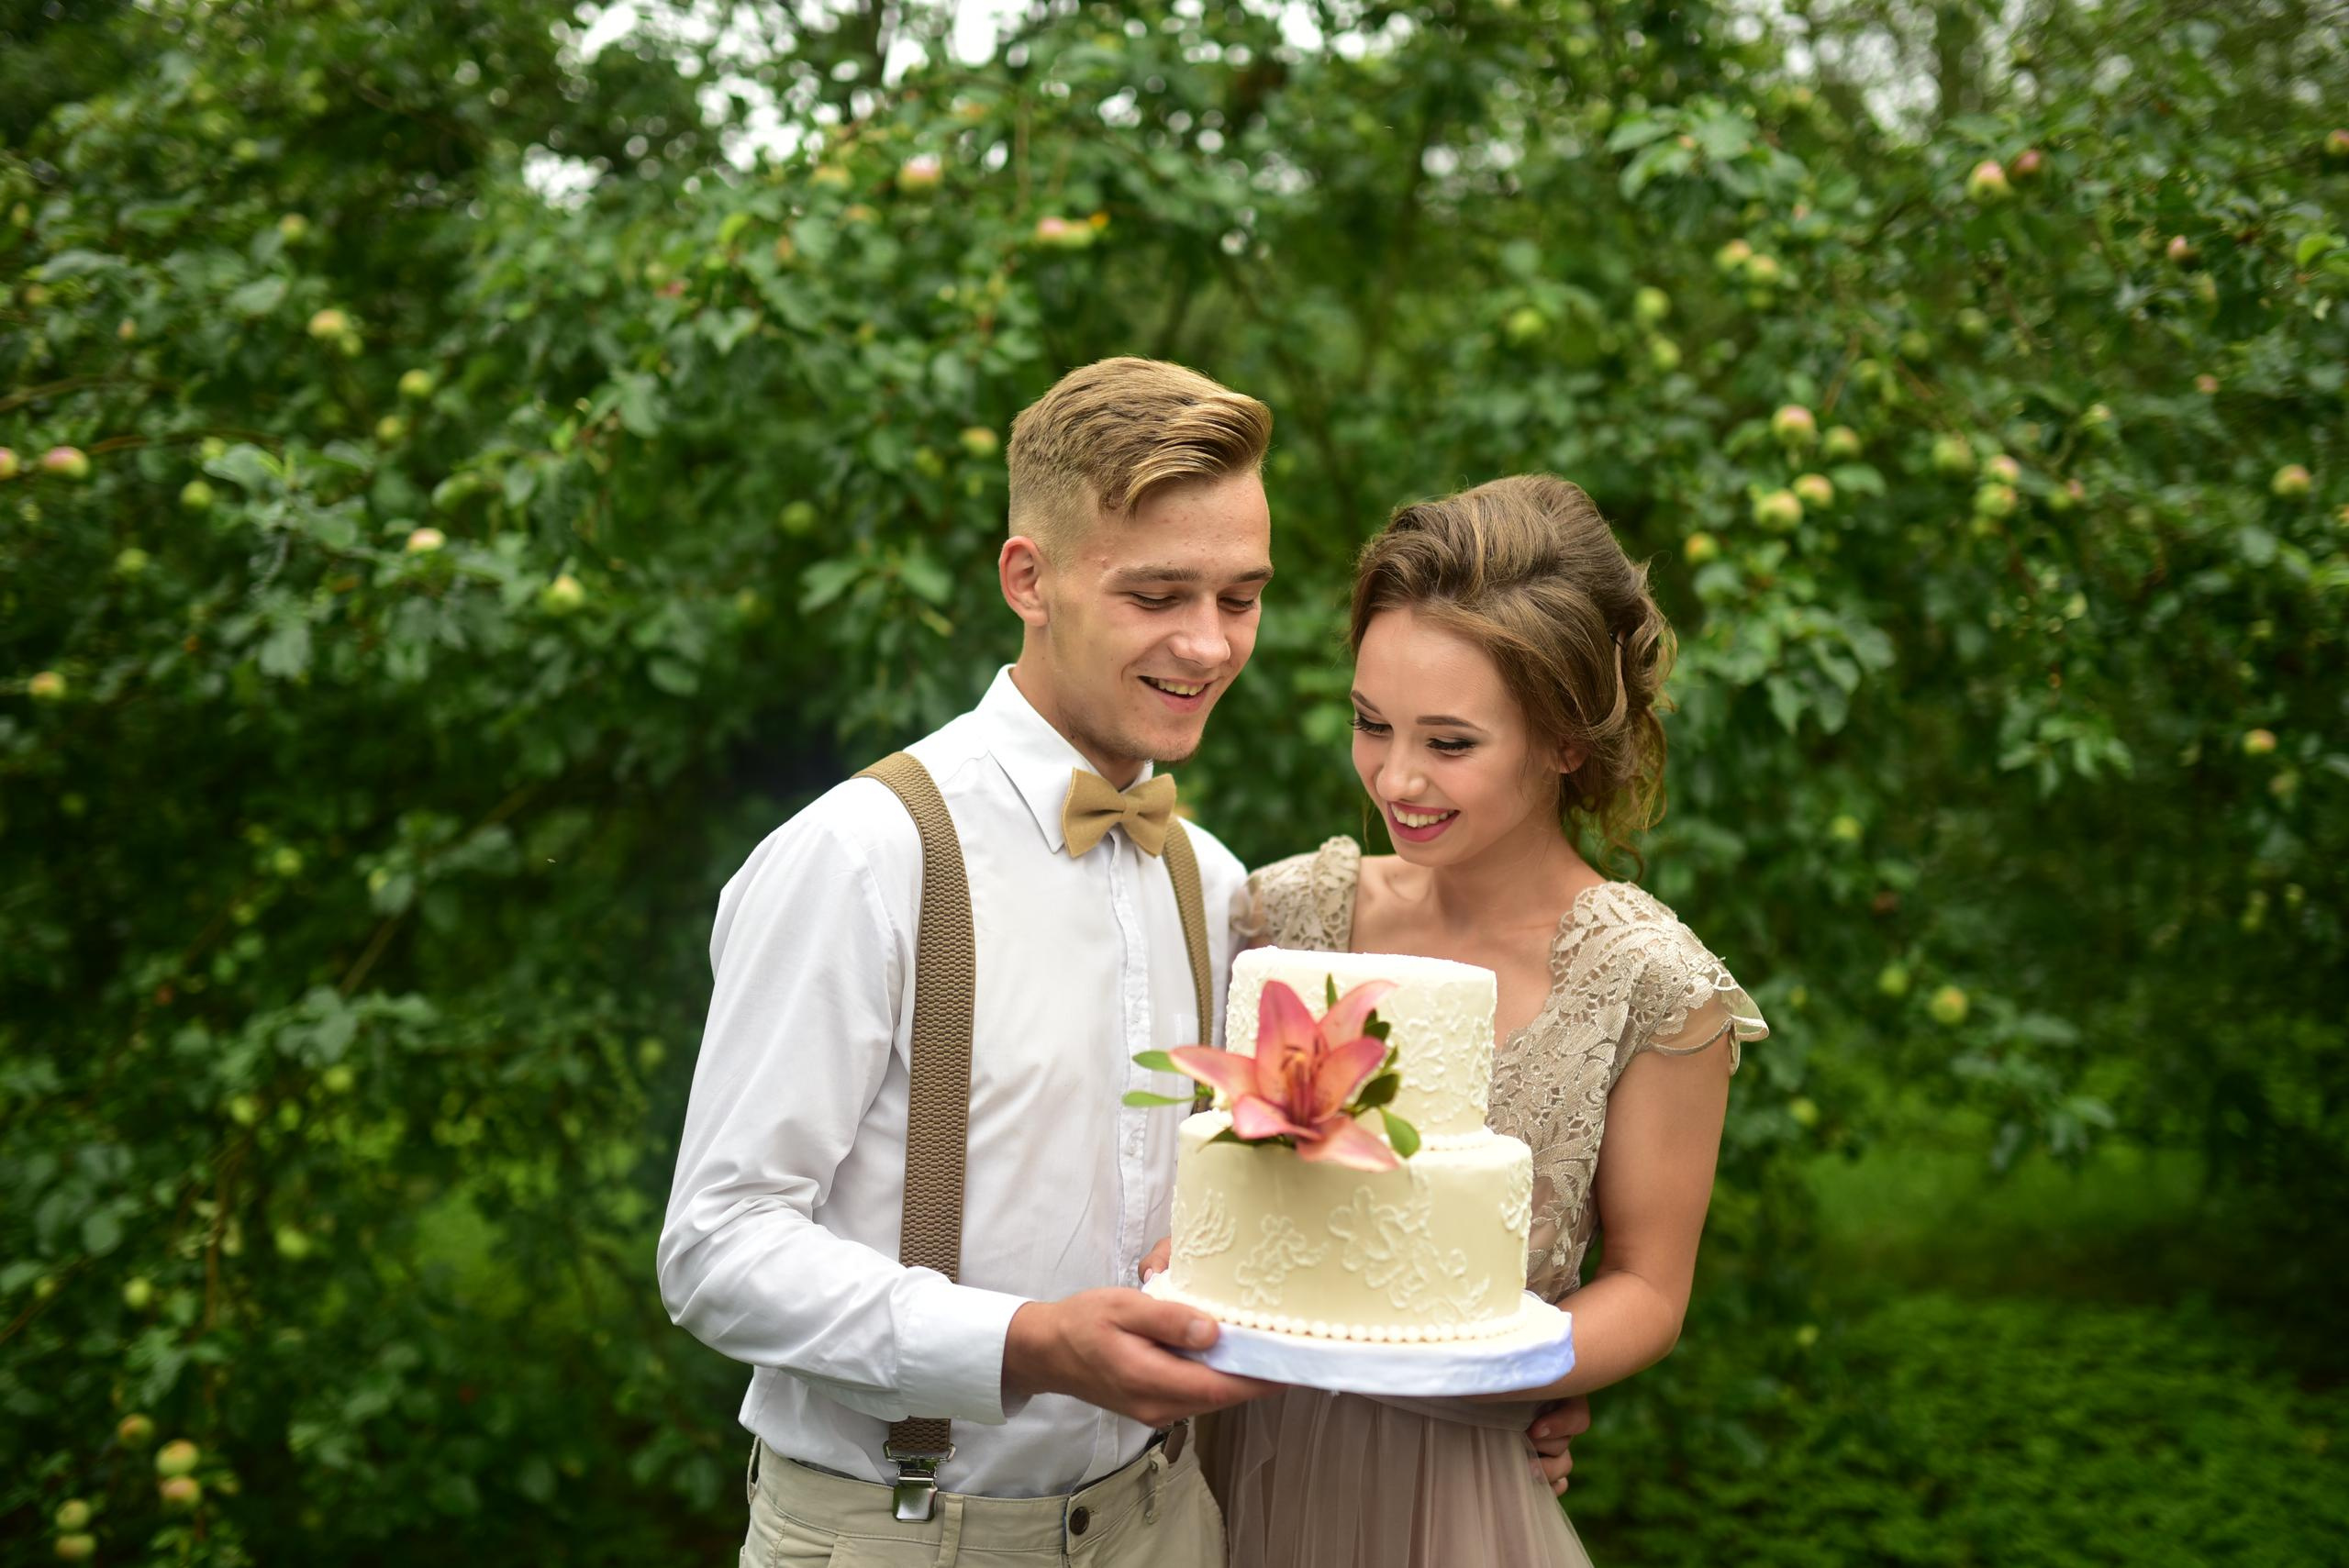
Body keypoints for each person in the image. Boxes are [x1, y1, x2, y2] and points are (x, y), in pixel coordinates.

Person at [659, 358, 1576, 1564]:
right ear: (1027, 579)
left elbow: (1251, 1216)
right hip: (905, 1531)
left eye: (1241, 597)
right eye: (1157, 594)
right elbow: (716, 1248)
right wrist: (1024, 1344)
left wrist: (1471, 1392)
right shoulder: (864, 856)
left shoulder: (1210, 882)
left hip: (1169, 1522)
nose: (1207, 643)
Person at [1164, 473, 1767, 1568]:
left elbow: (1647, 1289)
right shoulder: (1287, 913)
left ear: (1564, 740)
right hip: (1224, 1451)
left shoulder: (1653, 986)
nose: (1395, 777)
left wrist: (1511, 1371)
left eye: (1449, 743)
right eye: (1370, 723)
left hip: (1445, 1491)